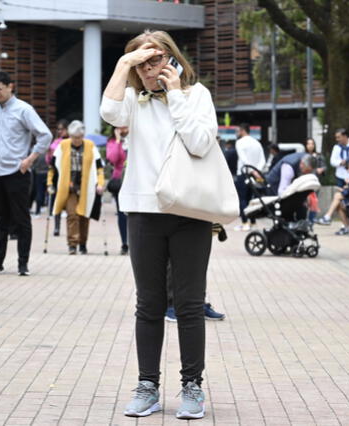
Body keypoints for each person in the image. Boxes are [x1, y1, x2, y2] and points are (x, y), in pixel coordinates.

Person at [100, 29, 217, 419]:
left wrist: (178, 94)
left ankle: (192, 387)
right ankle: (147, 385)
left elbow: (200, 142)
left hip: (189, 212)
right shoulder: (133, 99)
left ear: (174, 59)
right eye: (143, 63)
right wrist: (123, 64)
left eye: (158, 60)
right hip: (144, 211)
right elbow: (109, 113)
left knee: (188, 303)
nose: (152, 69)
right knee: (148, 303)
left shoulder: (197, 95)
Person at [0, 71, 52, 276]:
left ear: (11, 86)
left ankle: (23, 264)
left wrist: (29, 160)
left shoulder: (24, 110)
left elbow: (45, 135)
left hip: (17, 171)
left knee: (21, 219)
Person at [47, 120, 105, 254]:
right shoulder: (63, 145)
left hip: (87, 185)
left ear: (83, 136)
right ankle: (72, 244)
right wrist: (50, 183)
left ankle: (83, 243)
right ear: (70, 136)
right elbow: (52, 167)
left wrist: (100, 183)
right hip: (69, 186)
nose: (77, 140)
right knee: (72, 215)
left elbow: (99, 168)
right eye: (74, 137)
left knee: (84, 215)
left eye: (79, 138)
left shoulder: (90, 146)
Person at [316, 158, 349, 234]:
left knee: (338, 197)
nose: (348, 170)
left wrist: (345, 188)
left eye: (347, 168)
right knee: (338, 202)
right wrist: (347, 187)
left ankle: (329, 218)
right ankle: (329, 218)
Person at [234, 122, 265, 231]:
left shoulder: (239, 142)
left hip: (243, 174)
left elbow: (243, 159)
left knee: (242, 199)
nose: (237, 133)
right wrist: (257, 171)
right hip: (255, 175)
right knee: (251, 198)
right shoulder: (257, 143)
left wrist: (251, 170)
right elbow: (263, 160)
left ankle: (244, 222)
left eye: (238, 131)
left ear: (242, 130)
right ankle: (252, 222)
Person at [106, 126, 129, 254]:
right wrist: (118, 140)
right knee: (121, 213)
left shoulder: (135, 138)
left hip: (136, 179)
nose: (123, 128)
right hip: (120, 181)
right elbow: (113, 158)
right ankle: (124, 242)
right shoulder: (112, 142)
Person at [46, 119, 69, 236]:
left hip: (69, 174)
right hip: (57, 174)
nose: (60, 131)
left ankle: (71, 228)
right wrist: (49, 154)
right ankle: (56, 226)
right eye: (59, 129)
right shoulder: (55, 142)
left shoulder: (72, 141)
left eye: (62, 129)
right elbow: (49, 162)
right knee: (56, 202)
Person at [304, 138, 326, 223]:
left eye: (312, 144)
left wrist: (321, 169)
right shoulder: (303, 156)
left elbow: (324, 166)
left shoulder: (319, 156)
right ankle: (304, 219)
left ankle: (311, 219)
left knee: (314, 201)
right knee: (305, 200)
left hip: (315, 181)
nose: (310, 146)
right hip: (305, 181)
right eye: (308, 144)